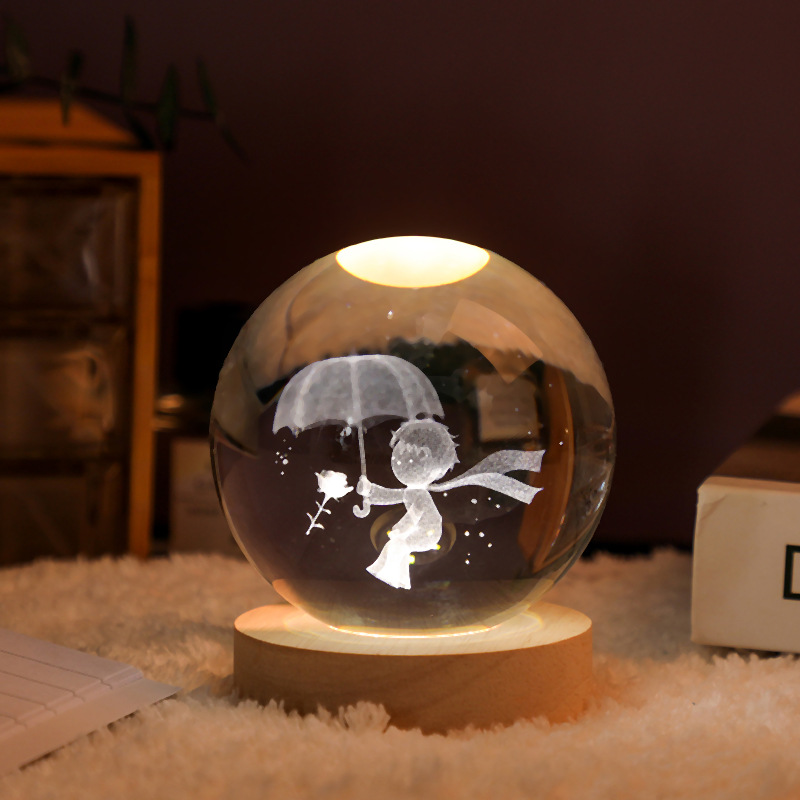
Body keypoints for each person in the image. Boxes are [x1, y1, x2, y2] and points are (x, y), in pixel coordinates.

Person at [355, 418, 544, 590]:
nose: (401, 463)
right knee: (397, 545)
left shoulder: (418, 494)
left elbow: (415, 513)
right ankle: (396, 577)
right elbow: (393, 496)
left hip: (427, 533)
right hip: (425, 531)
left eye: (412, 459)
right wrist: (370, 490)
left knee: (397, 544)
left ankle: (394, 577)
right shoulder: (413, 491)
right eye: (400, 456)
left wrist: (401, 528)